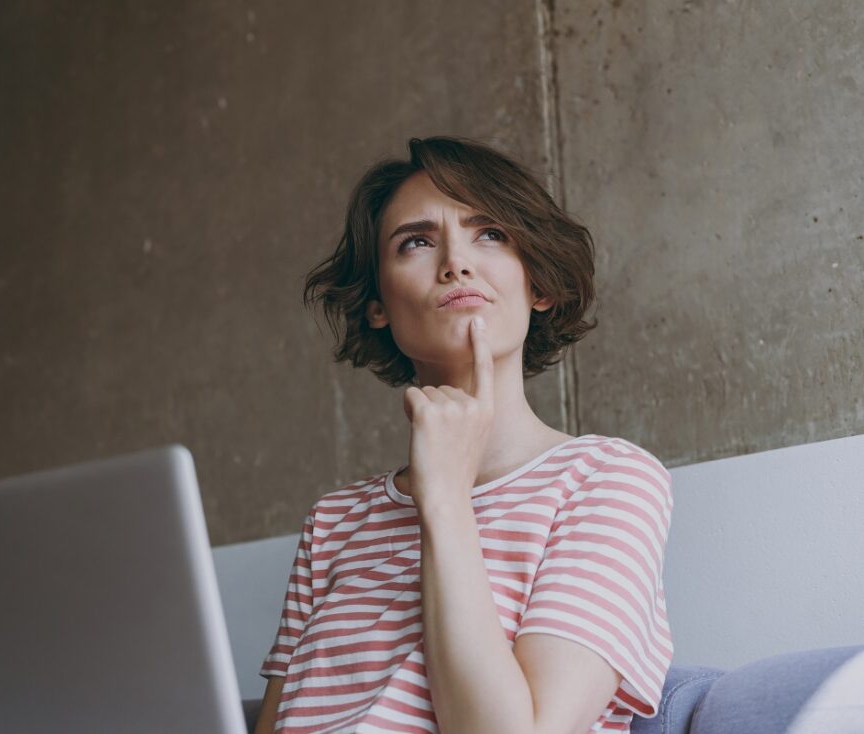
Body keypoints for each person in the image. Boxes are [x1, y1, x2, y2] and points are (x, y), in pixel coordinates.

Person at [254, 136, 673, 734]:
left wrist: (446, 500)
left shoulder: (608, 480)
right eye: (416, 242)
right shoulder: (333, 522)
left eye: (491, 234)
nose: (455, 261)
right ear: (377, 304)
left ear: (540, 286)